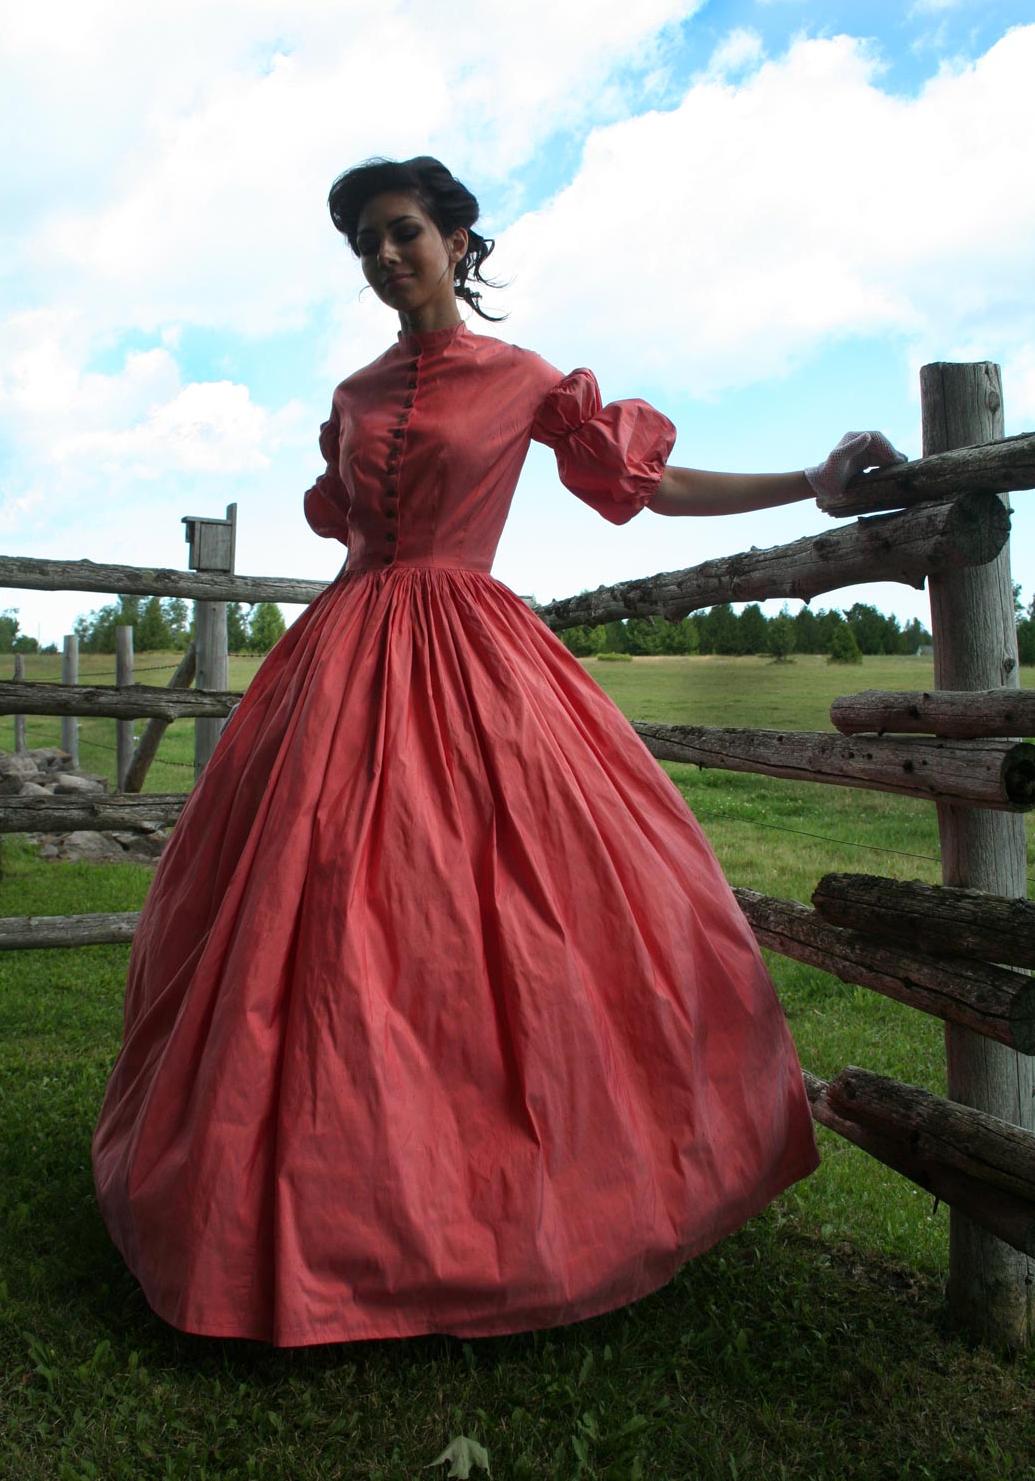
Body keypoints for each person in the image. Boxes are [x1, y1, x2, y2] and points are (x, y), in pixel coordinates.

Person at [92, 156, 905, 1348]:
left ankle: (517, 1204)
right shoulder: (354, 394)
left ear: (461, 239)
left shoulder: (526, 380)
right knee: (309, 923)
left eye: (403, 232)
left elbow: (650, 483)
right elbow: (352, 533)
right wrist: (317, 678)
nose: (384, 256)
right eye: (365, 241)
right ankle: (301, 1213)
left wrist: (812, 483)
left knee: (501, 919)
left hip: (472, 653)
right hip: (339, 664)